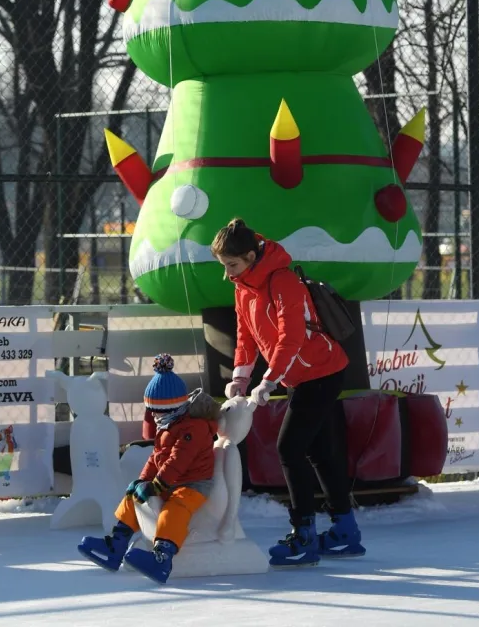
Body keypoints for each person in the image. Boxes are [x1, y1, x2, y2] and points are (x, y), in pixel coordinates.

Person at [211, 217, 365, 566]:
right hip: (301, 377)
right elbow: (246, 336)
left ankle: (303, 535)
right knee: (319, 452)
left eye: (232, 264)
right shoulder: (242, 287)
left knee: (289, 448)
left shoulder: (282, 281)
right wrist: (240, 377)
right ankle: (345, 531)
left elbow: (291, 337)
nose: (227, 273)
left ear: (250, 256)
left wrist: (269, 381)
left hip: (321, 373)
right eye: (224, 266)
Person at [78, 353, 218, 584]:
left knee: (174, 509)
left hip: (193, 484)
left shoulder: (193, 429)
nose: (153, 416)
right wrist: (142, 481)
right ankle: (117, 543)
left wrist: (155, 486)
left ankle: (162, 557)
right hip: (171, 480)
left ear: (172, 408)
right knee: (133, 496)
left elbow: (177, 461)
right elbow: (157, 457)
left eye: (156, 411)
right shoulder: (168, 426)